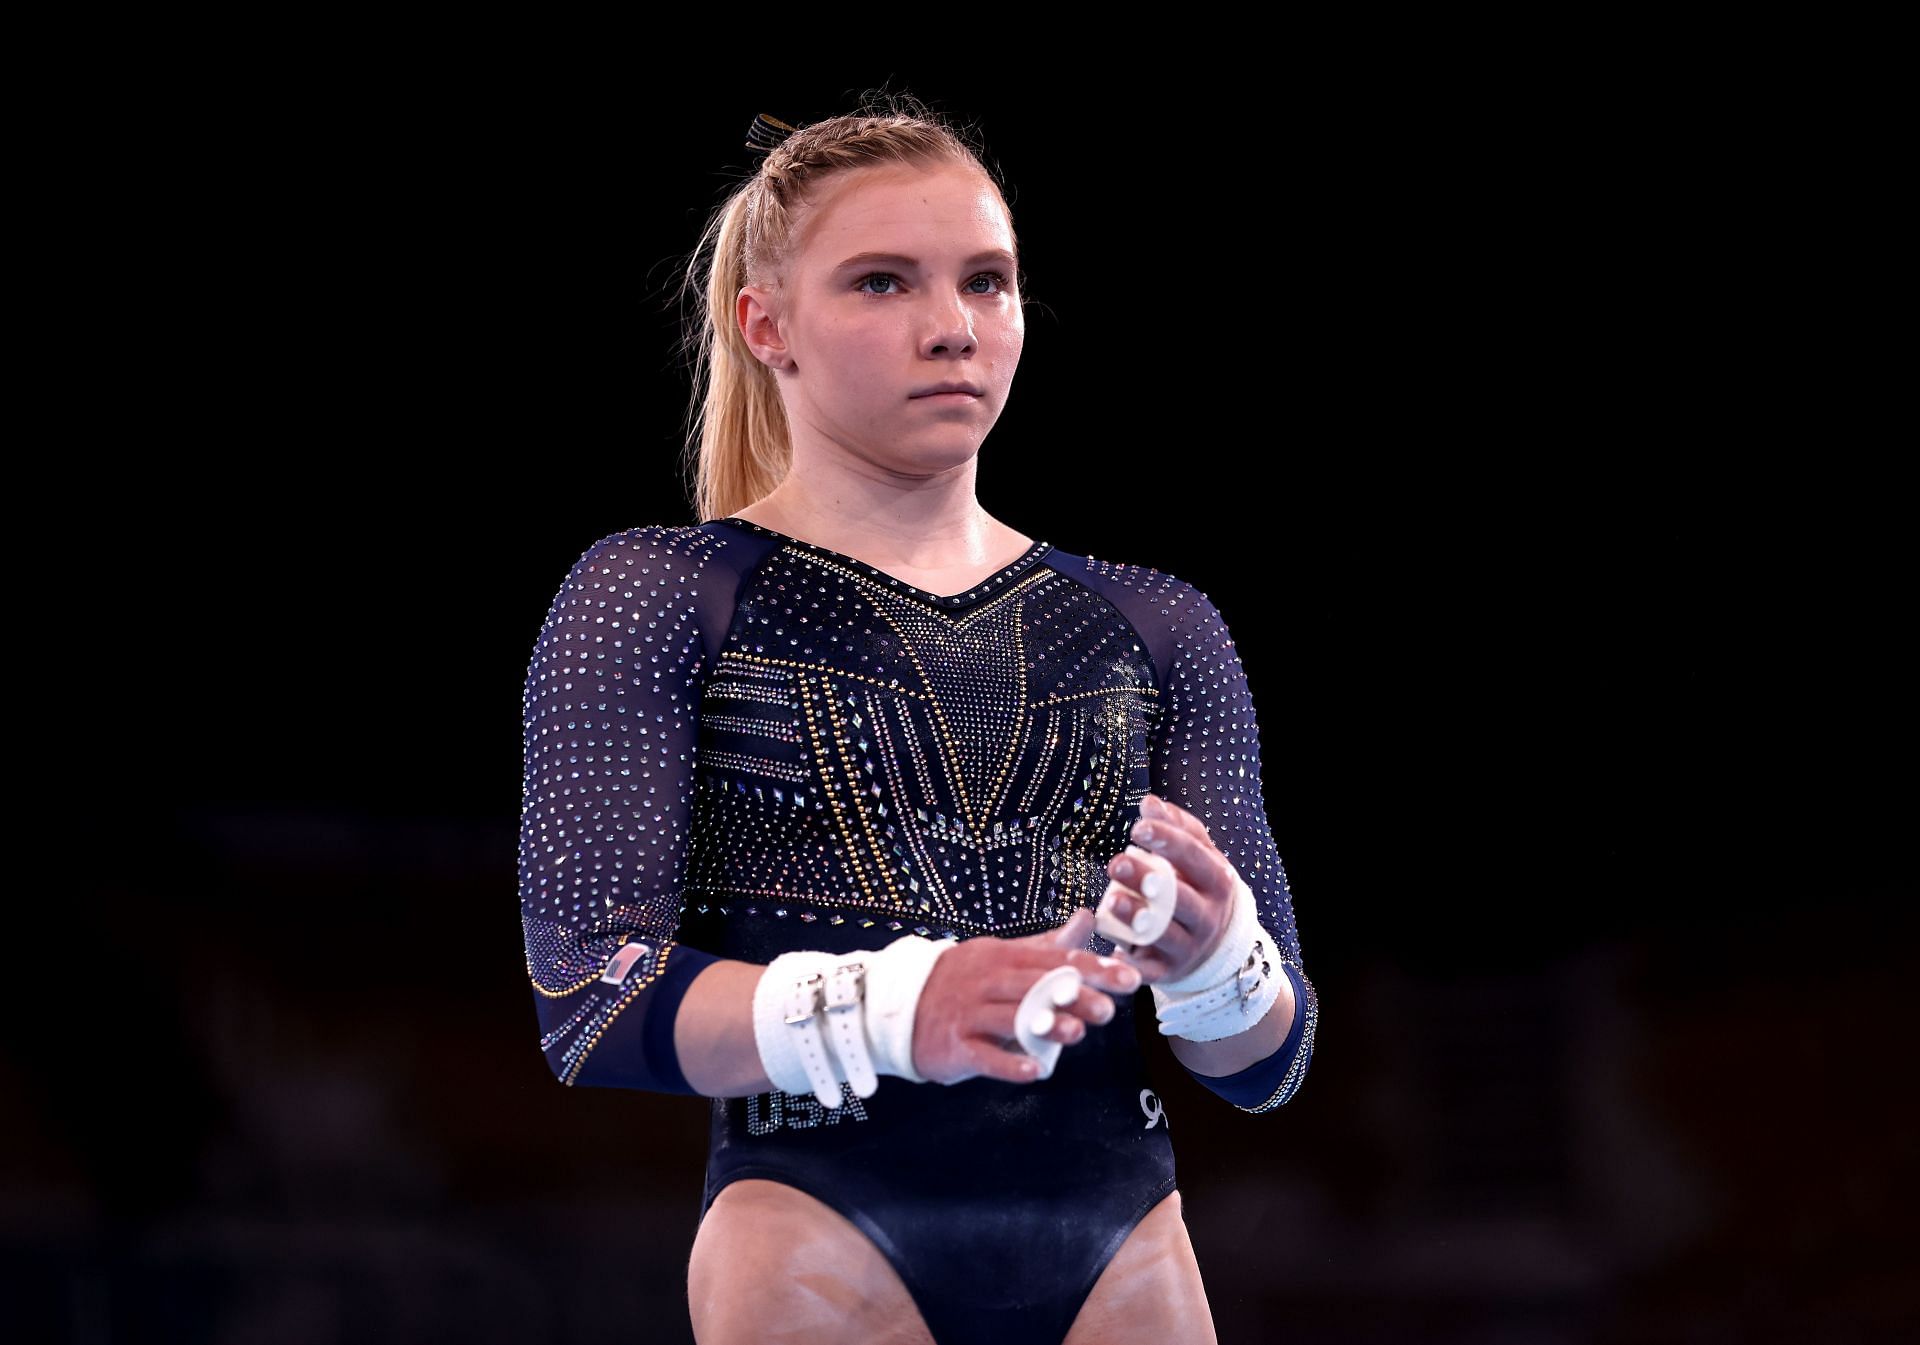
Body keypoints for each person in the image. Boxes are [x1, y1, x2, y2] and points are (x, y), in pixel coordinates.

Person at [517, 94, 1319, 1345]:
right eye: (883, 282)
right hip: (822, 1229)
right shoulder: (664, 594)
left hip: (1123, 1234)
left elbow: (1268, 1062)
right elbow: (590, 997)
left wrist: (1219, 960)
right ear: (764, 323)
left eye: (986, 283)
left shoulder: (1159, 625)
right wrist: (899, 1008)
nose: (952, 328)